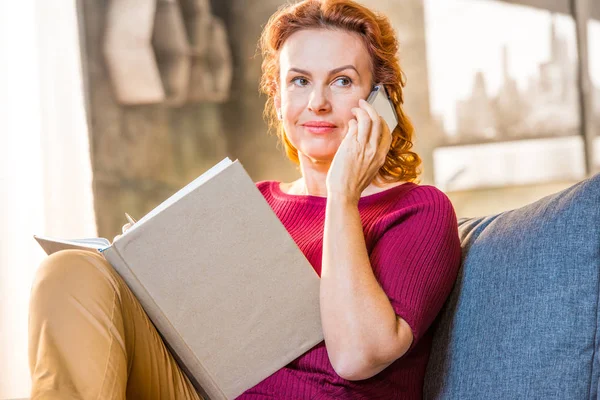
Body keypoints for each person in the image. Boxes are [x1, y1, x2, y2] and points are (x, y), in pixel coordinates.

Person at [27, 0, 462, 399]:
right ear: (277, 99)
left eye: (342, 81)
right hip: (203, 389)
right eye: (299, 81)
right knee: (70, 270)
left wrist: (341, 195)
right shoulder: (252, 203)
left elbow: (357, 356)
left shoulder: (418, 209)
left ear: (378, 100)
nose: (318, 103)